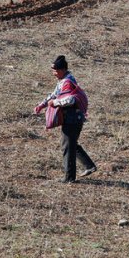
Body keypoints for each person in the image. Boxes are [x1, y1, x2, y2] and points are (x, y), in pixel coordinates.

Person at [35, 55, 97, 183]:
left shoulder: (67, 82)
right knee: (71, 144)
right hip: (73, 119)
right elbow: (53, 95)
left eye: (56, 71)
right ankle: (89, 166)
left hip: (73, 119)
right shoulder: (63, 81)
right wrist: (42, 105)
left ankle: (69, 178)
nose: (54, 73)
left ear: (63, 70)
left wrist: (55, 103)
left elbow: (71, 99)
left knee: (67, 146)